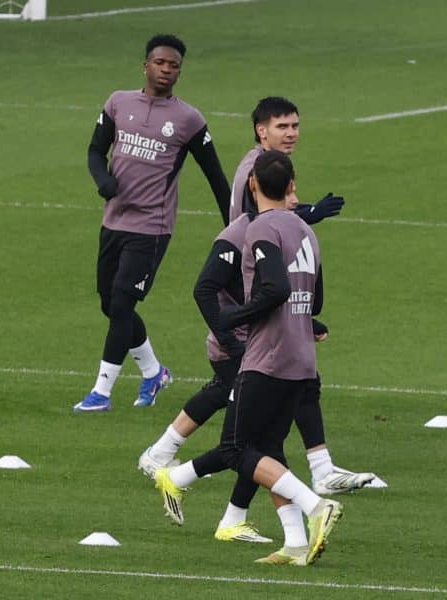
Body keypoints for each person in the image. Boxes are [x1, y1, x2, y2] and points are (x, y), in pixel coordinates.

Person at [137, 97, 374, 541]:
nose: (291, 132)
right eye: (282, 125)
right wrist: (235, 322)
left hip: (276, 344)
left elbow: (290, 289)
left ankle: (201, 490)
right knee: (248, 442)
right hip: (266, 345)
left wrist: (288, 314)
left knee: (250, 443)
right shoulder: (274, 216)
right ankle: (301, 513)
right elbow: (274, 282)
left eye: (296, 125)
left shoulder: (288, 223)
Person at [156, 151, 343, 566]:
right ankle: (295, 542)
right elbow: (316, 299)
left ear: (253, 185)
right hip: (302, 358)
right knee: (268, 448)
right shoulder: (308, 233)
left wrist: (233, 315)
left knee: (236, 449)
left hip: (267, 358)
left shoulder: (260, 228)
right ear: (292, 186)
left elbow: (273, 288)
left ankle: (316, 507)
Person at [75, 33, 231, 413]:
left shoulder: (188, 119)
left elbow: (216, 177)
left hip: (152, 227)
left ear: (180, 71)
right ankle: (153, 371)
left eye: (173, 65)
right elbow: (96, 150)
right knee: (111, 305)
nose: (166, 70)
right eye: (160, 63)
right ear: (145, 64)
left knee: (124, 302)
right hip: (114, 222)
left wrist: (236, 227)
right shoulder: (118, 102)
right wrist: (104, 181)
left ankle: (101, 392)